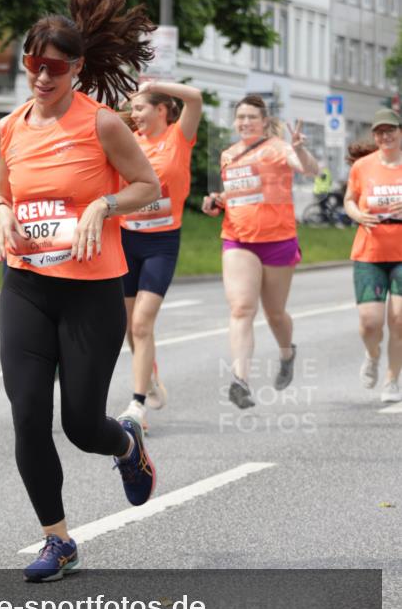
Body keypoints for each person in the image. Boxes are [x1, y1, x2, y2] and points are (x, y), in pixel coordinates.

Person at [0, 0, 161, 583]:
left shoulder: (104, 125)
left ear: (76, 68)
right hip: (27, 286)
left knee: (81, 426)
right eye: (34, 63)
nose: (42, 75)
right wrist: (0, 210)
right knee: (27, 414)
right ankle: (57, 541)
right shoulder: (9, 128)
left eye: (55, 66)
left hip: (91, 293)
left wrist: (102, 207)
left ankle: (126, 445)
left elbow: (149, 186)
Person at [201, 95, 319, 409]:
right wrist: (217, 201)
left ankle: (286, 353)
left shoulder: (280, 147)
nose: (245, 123)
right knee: (241, 308)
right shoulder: (228, 155)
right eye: (240, 117)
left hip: (278, 240)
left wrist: (300, 148)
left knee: (275, 313)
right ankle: (240, 380)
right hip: (238, 239)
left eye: (252, 117)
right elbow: (239, 193)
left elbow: (310, 170)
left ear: (264, 122)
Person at [117, 79, 203, 432]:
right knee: (127, 326)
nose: (134, 114)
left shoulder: (178, 137)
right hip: (126, 239)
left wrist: (152, 83)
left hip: (161, 243)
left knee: (142, 323)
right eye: (133, 109)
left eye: (140, 108)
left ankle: (137, 405)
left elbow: (195, 98)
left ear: (162, 110)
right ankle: (148, 375)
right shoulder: (128, 144)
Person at [343, 108, 402, 404]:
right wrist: (357, 214)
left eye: (390, 130)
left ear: (400, 132)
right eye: (379, 132)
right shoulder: (363, 167)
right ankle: (372, 354)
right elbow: (350, 199)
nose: (385, 136)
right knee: (370, 322)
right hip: (370, 251)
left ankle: (392, 379)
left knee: (400, 319)